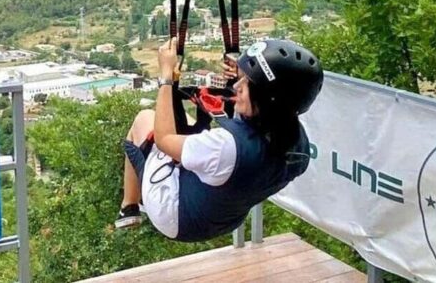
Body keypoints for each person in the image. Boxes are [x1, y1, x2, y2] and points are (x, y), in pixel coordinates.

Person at [115, 37, 323, 242]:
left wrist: (166, 77)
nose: (237, 86)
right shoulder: (299, 148)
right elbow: (251, 141)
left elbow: (165, 139)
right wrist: (242, 76)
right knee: (188, 134)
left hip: (175, 217)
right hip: (225, 219)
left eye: (247, 83)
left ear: (268, 99)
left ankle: (129, 206)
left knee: (144, 119)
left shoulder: (226, 146)